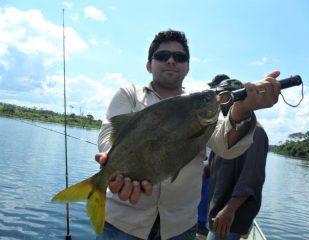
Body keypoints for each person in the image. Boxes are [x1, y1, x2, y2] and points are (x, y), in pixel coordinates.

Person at [95, 29, 281, 240]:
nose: (171, 61)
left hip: (179, 228)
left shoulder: (199, 104)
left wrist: (241, 111)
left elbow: (223, 146)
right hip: (122, 222)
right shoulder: (128, 95)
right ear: (149, 65)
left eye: (180, 57)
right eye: (162, 56)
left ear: (187, 67)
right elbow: (108, 132)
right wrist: (111, 159)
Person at [206, 77, 269, 240]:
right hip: (218, 210)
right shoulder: (222, 129)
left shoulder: (256, 132)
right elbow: (211, 165)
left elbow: (251, 179)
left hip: (230, 218)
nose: (220, 101)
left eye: (225, 96)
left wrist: (229, 210)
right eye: (219, 96)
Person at [197, 74, 234, 236]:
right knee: (203, 196)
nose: (214, 90)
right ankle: (201, 224)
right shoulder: (213, 110)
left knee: (208, 197)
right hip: (205, 165)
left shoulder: (228, 114)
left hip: (215, 167)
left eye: (216, 87)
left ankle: (203, 225)